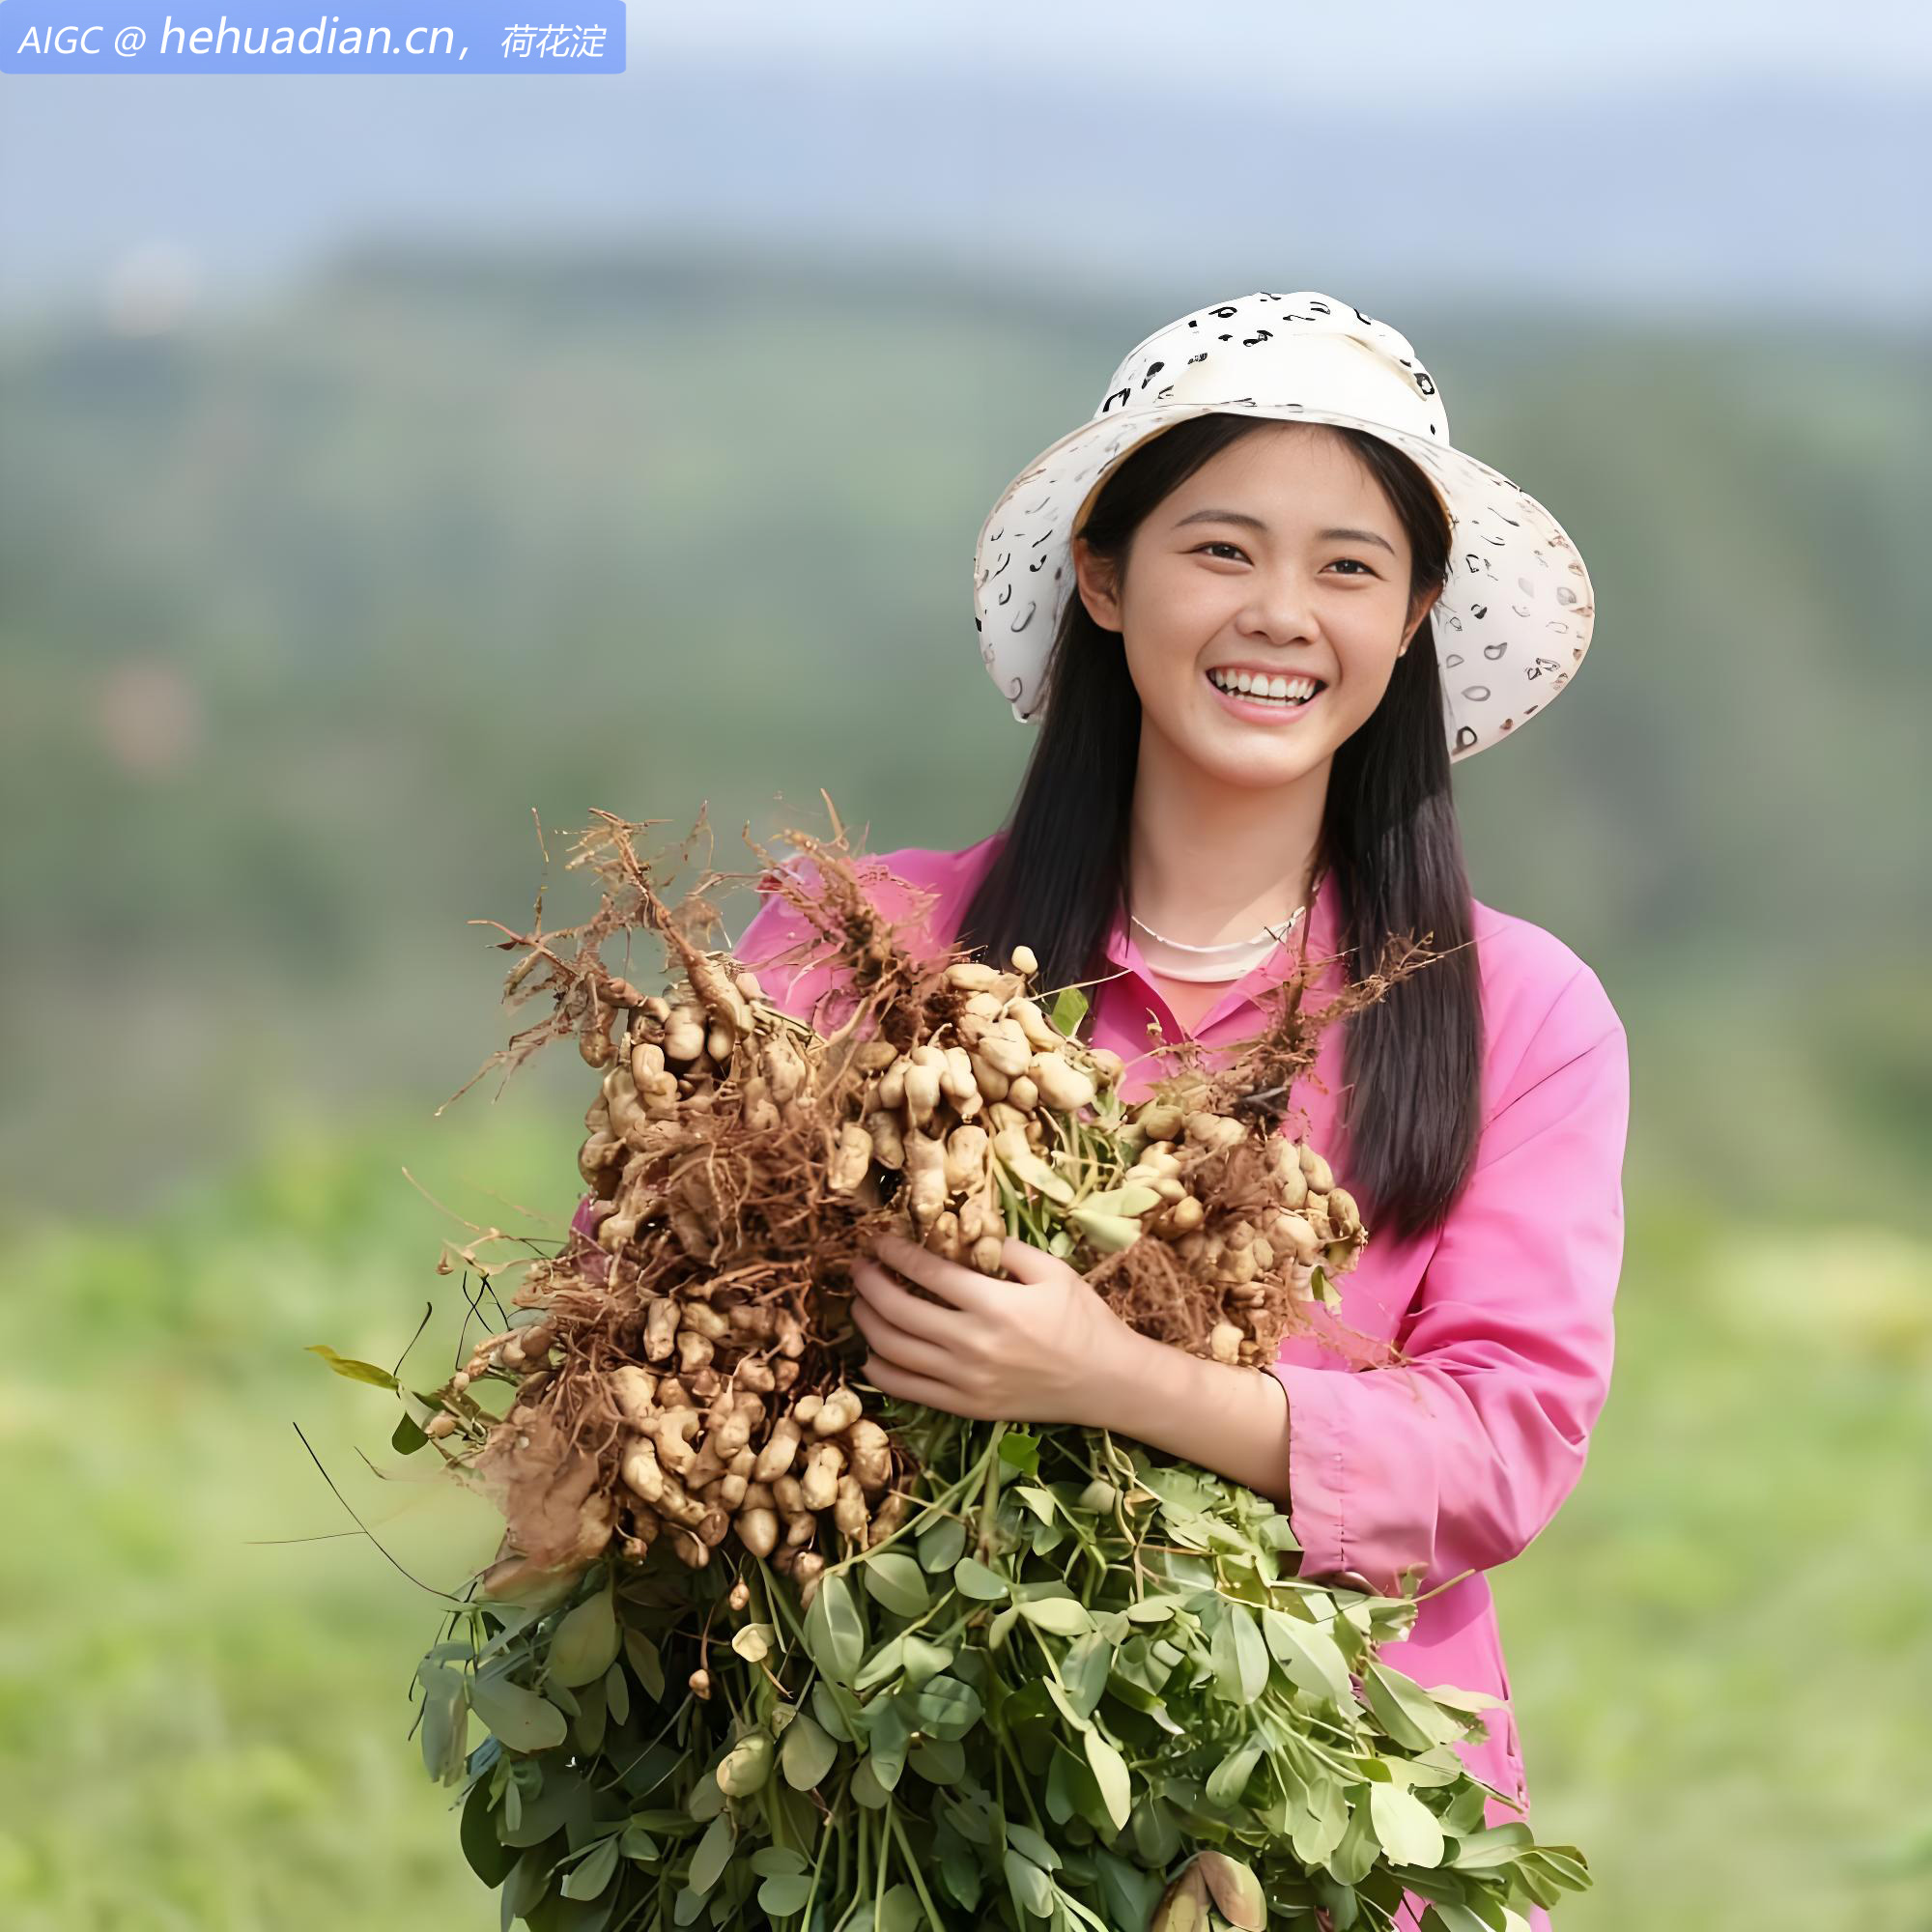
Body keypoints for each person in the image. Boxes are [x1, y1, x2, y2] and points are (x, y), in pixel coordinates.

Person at [589, 292, 1630, 1930]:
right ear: (1102, 571)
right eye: (1221, 550)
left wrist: (1107, 1379)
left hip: (1332, 1821)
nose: (1281, 614)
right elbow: (639, 1314)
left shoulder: (1521, 1013)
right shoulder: (856, 944)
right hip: (887, 1821)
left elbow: (1503, 1447)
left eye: (1350, 568)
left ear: (1416, 615)